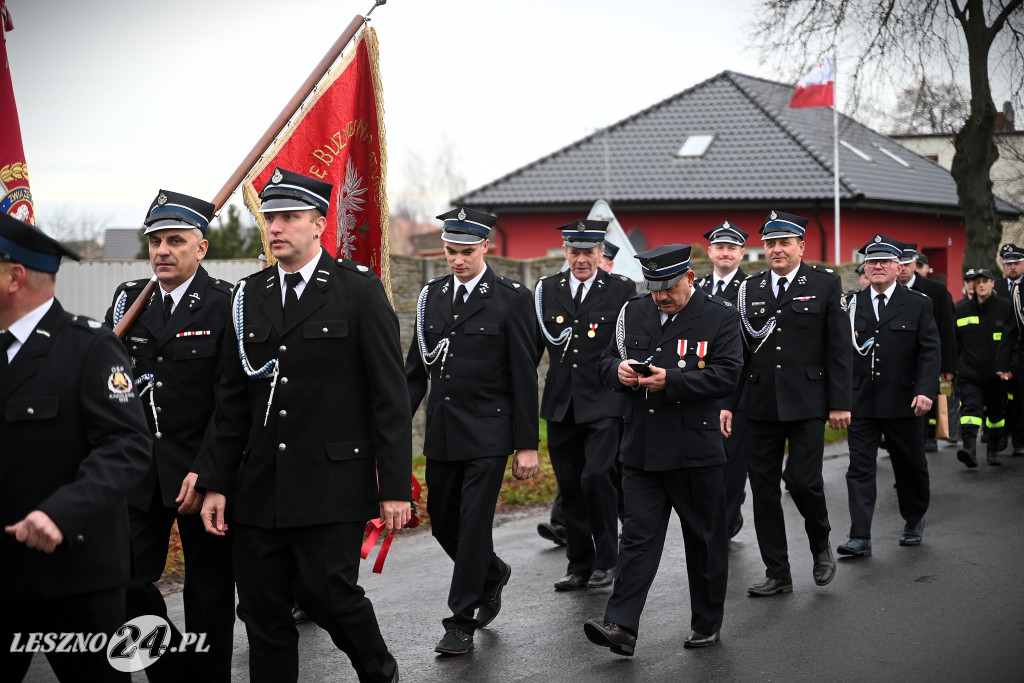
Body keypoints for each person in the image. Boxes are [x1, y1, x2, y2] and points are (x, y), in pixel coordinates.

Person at [198, 168, 411, 683]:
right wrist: (215, 481)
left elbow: (390, 399)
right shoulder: (247, 296)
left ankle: (380, 674)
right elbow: (231, 403)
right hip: (259, 486)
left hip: (331, 483)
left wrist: (394, 489)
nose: (275, 228)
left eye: (289, 217)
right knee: (262, 609)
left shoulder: (357, 291)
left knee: (328, 596)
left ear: (319, 224)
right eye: (270, 218)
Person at [0, 214, 152, 682]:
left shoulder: (89, 347)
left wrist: (60, 514)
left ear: (14, 277)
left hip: (75, 576)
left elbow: (127, 446)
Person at [583, 244, 742, 656]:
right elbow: (605, 360)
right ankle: (621, 625)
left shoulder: (720, 315)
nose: (661, 297)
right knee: (637, 539)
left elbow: (728, 375)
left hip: (695, 451)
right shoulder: (633, 311)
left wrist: (672, 380)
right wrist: (617, 372)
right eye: (654, 288)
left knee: (704, 541)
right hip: (642, 448)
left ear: (690, 278)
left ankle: (706, 623)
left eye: (669, 288)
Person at [103, 190, 235, 681]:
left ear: (201, 248)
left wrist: (209, 472)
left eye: (175, 241)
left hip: (203, 472)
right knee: (122, 583)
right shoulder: (129, 300)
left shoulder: (226, 304)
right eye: (155, 241)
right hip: (139, 472)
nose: (162, 250)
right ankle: (173, 670)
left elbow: (231, 403)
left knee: (209, 592)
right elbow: (112, 386)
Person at [406, 207, 539, 656]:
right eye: (450, 251)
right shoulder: (431, 296)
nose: (457, 260)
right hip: (444, 432)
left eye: (466, 251)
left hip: (489, 432)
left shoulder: (511, 298)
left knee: (474, 524)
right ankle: (493, 572)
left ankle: (460, 621)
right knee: (443, 523)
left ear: (485, 246)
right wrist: (390, 432)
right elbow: (415, 372)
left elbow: (524, 375)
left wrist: (526, 444)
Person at [736, 210, 851, 596]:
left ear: (801, 246)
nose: (776, 250)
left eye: (784, 243)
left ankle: (820, 545)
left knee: (803, 481)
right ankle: (777, 571)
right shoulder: (749, 288)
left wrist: (839, 403)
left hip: (807, 401)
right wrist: (729, 405)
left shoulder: (824, 283)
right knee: (763, 489)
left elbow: (839, 348)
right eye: (770, 244)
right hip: (760, 403)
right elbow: (741, 353)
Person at [535, 219, 635, 591]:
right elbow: (533, 347)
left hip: (605, 400)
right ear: (565, 252)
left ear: (600, 252)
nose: (581, 259)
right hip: (561, 403)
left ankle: (607, 560)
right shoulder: (546, 289)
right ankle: (579, 564)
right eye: (575, 252)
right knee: (570, 483)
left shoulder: (620, 289)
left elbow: (629, 343)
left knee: (597, 477)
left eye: (588, 252)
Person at [837, 235, 940, 557]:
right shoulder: (850, 304)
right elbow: (840, 354)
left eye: (884, 261)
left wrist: (925, 391)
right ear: (865, 267)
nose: (877, 266)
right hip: (861, 402)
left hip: (904, 402)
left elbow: (929, 351)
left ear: (899, 266)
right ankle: (859, 536)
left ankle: (914, 518)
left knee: (910, 465)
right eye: (872, 261)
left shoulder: (918, 303)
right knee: (859, 468)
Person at [696, 220, 750, 538]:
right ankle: (711, 518)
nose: (725, 253)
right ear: (710, 252)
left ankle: (726, 522)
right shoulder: (697, 287)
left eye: (731, 248)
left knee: (732, 460)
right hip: (699, 387)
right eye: (720, 247)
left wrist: (730, 400)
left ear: (742, 253)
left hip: (736, 390)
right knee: (702, 459)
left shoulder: (750, 289)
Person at [897, 245, 957, 452]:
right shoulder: (889, 290)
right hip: (901, 359)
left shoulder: (936, 290)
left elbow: (947, 329)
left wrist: (949, 365)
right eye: (899, 264)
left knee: (933, 395)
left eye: (907, 264)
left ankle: (932, 435)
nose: (902, 269)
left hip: (929, 356)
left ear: (915, 264)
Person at [953, 268, 1010, 468]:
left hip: (998, 374)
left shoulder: (1005, 307)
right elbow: (954, 342)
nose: (981, 285)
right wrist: (951, 368)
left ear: (993, 283)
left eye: (985, 281)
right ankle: (969, 449)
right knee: (969, 411)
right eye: (977, 282)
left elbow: (1013, 340)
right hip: (970, 374)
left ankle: (992, 451)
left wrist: (1010, 366)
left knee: (996, 416)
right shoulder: (961, 309)